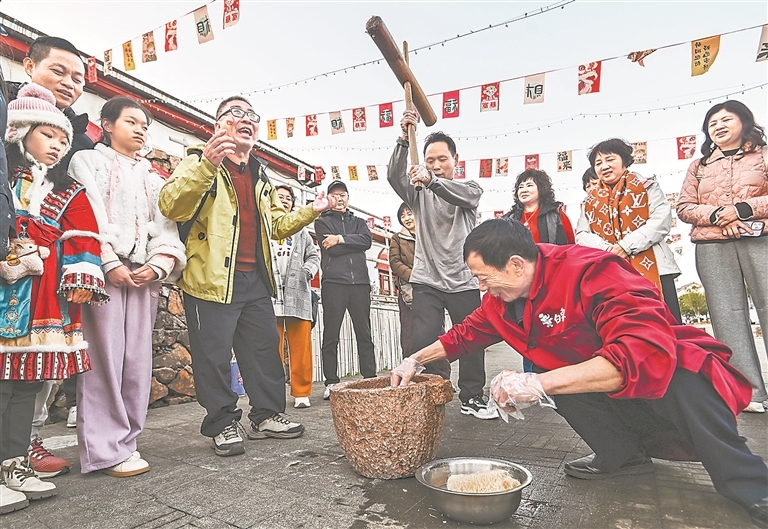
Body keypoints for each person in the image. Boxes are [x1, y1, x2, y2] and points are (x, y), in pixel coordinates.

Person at [391, 219, 768, 529]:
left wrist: (535, 383)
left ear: (517, 265)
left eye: (484, 277)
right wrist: (416, 360)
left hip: (663, 375)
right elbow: (462, 336)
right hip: (605, 385)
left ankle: (751, 484)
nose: (481, 287)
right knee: (555, 378)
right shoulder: (498, 301)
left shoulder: (590, 270)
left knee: (683, 376)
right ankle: (622, 457)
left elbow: (639, 354)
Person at [159, 95, 336, 457]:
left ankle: (266, 415)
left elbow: (277, 226)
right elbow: (171, 204)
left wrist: (312, 211)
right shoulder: (198, 160)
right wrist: (209, 162)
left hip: (255, 278)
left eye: (251, 115)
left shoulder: (259, 172)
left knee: (263, 352)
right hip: (209, 279)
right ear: (217, 125)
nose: (246, 119)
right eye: (235, 113)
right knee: (213, 357)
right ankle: (222, 422)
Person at [0, 84, 108, 509]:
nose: (58, 147)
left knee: (26, 380)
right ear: (20, 131)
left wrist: (80, 272)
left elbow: (85, 233)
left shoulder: (69, 191)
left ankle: (13, 463)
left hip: (42, 297)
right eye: (49, 136)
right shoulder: (6, 180)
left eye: (64, 141)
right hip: (7, 288)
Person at [69, 96, 186, 476]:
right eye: (132, 121)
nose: (140, 129)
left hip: (144, 275)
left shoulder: (155, 177)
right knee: (103, 359)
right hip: (104, 273)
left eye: (145, 125)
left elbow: (166, 226)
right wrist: (108, 261)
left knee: (136, 360)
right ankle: (104, 450)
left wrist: (159, 264)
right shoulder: (86, 162)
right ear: (107, 124)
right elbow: (88, 214)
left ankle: (127, 441)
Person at [12, 37, 95, 474]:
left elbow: (81, 214)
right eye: (59, 71)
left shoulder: (83, 139)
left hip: (45, 275)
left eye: (78, 77)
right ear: (29, 66)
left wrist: (82, 270)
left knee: (39, 358)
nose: (69, 83)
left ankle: (24, 443)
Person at [387, 111, 496, 420]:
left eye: (442, 159)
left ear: (455, 160)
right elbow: (394, 176)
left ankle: (472, 397)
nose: (435, 164)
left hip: (462, 280)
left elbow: (465, 196)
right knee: (421, 340)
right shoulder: (416, 192)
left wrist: (432, 180)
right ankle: (428, 388)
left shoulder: (468, 189)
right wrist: (403, 137)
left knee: (473, 341)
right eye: (430, 160)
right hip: (427, 280)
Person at [677, 100, 768, 414]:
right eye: (712, 122)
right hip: (713, 244)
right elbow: (685, 207)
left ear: (744, 121)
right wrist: (719, 215)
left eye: (725, 119)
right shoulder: (699, 166)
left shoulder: (763, 155)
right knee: (726, 315)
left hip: (761, 237)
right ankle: (750, 392)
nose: (718, 126)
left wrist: (740, 212)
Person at [576, 138, 682, 322]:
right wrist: (610, 249)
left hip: (656, 267)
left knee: (668, 325)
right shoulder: (589, 201)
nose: (604, 166)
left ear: (624, 160)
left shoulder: (648, 186)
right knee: (627, 327)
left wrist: (625, 246)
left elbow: (661, 221)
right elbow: (582, 235)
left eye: (610, 159)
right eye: (598, 163)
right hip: (612, 272)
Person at [502, 169, 574, 372]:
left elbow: (568, 246)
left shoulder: (555, 215)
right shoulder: (509, 219)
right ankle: (531, 376)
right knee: (526, 329)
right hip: (519, 285)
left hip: (550, 281)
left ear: (541, 189)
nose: (523, 189)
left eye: (529, 185)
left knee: (550, 327)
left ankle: (554, 374)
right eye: (520, 186)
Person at [314, 180, 377, 398]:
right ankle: (331, 381)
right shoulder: (321, 223)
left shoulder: (359, 222)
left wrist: (340, 239)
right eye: (334, 195)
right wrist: (351, 243)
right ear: (328, 199)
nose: (339, 198)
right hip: (334, 283)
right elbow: (330, 251)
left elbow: (367, 241)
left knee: (364, 333)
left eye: (343, 194)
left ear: (348, 198)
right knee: (331, 334)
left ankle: (370, 378)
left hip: (360, 283)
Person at [271, 185, 320, 409]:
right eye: (279, 197)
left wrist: (307, 270)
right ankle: (273, 393)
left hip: (298, 293)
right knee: (271, 348)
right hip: (270, 294)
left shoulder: (300, 230)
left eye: (288, 198)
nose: (284, 201)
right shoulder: (266, 225)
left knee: (301, 347)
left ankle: (301, 392)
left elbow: (313, 255)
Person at [389, 202, 417, 357]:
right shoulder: (397, 238)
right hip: (407, 290)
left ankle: (439, 372)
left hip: (430, 289)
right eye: (402, 215)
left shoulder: (428, 235)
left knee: (434, 330)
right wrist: (414, 276)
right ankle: (410, 371)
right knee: (408, 332)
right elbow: (394, 262)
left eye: (409, 213)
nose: (406, 218)